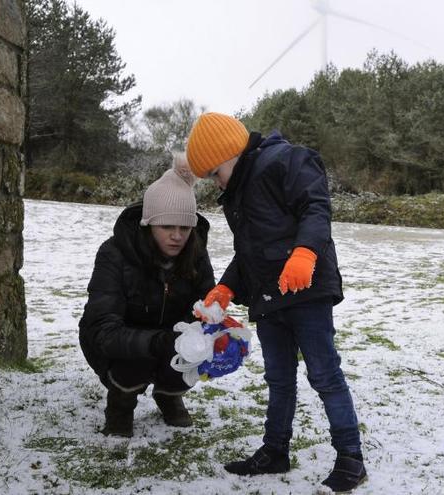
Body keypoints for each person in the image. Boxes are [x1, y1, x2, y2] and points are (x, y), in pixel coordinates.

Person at [185, 112, 367, 493]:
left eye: (215, 172)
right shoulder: (237, 194)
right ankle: (275, 450)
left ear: (231, 154)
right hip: (269, 298)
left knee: (324, 374)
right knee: (279, 378)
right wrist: (225, 289)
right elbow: (249, 252)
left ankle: (351, 457)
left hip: (307, 290)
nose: (215, 182)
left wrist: (305, 253)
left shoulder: (285, 160)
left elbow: (316, 208)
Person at [78, 153, 215, 437]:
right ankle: (120, 403)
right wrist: (159, 342)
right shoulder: (114, 253)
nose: (177, 236)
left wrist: (214, 329)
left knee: (193, 349)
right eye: (167, 227)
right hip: (118, 343)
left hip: (170, 338)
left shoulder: (196, 255)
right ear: (148, 224)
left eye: (185, 228)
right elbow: (103, 329)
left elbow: (205, 307)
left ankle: (169, 394)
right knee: (134, 358)